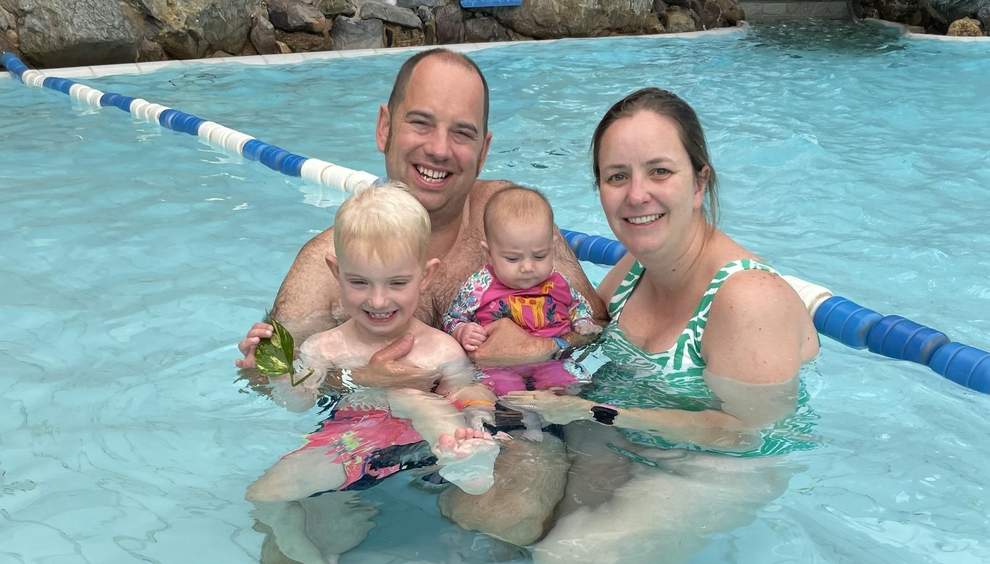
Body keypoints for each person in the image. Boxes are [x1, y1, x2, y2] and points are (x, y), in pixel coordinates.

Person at [236, 48, 608, 547]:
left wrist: (537, 346)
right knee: (285, 530)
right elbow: (274, 378)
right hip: (368, 429)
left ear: (484, 147)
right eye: (421, 123)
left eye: (462, 132)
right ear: (384, 127)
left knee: (513, 509)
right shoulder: (327, 261)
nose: (439, 149)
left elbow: (596, 330)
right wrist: (353, 375)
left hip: (496, 424)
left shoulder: (511, 224)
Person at [478, 88, 820, 562]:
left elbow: (749, 435)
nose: (637, 194)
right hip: (626, 438)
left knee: (571, 555)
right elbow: (566, 342)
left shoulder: (747, 298)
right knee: (505, 520)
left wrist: (595, 412)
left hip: (719, 466)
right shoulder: (629, 273)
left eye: (660, 171)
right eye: (617, 176)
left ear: (699, 183)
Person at [247, 184, 503, 562]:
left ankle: (469, 465)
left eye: (397, 283)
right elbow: (298, 403)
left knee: (415, 398)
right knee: (264, 494)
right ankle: (302, 551)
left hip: (427, 444)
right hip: (352, 444)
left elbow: (467, 391)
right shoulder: (324, 347)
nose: (378, 300)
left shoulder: (439, 348)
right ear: (336, 272)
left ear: (425, 276)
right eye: (359, 281)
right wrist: (275, 372)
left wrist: (479, 421)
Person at [443, 185, 601, 440]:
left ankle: (556, 424)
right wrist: (462, 330)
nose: (528, 267)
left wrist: (583, 321)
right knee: (497, 391)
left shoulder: (557, 281)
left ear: (552, 248)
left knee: (570, 384)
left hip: (551, 360)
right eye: (513, 259)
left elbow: (578, 306)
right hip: (500, 367)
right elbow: (452, 317)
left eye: (539, 256)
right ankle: (528, 426)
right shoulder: (480, 285)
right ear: (489, 254)